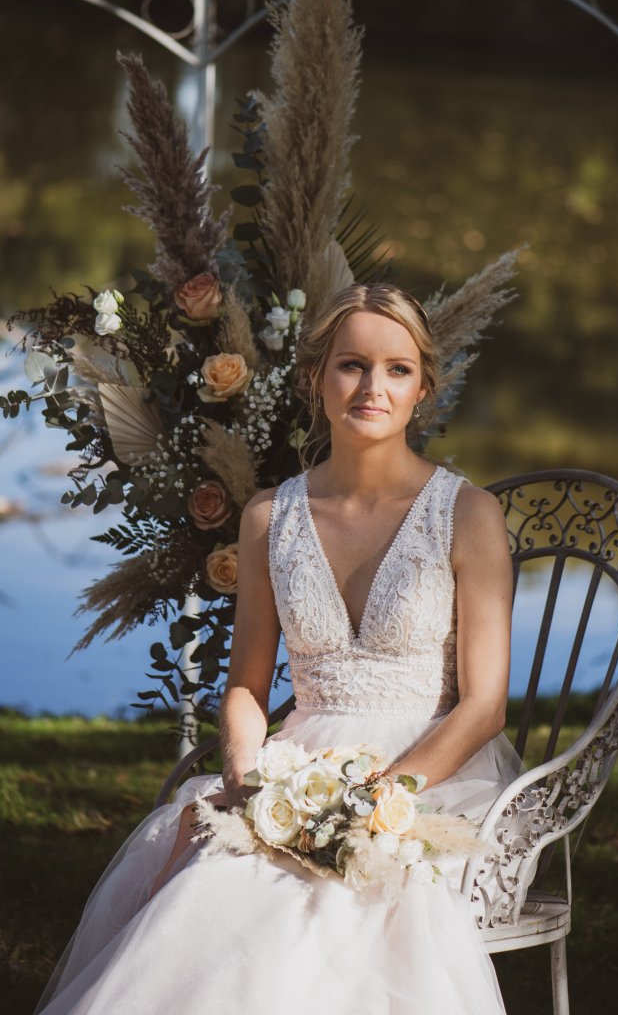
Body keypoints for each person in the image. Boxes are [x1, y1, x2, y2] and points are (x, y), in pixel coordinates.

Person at [36, 283, 521, 1014]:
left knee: (319, 904)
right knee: (221, 877)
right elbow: (245, 687)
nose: (373, 387)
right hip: (297, 767)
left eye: (396, 369)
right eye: (352, 365)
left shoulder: (469, 514)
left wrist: (377, 799)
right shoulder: (271, 516)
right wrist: (246, 779)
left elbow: (483, 707)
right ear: (316, 377)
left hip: (431, 774)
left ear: (423, 387)